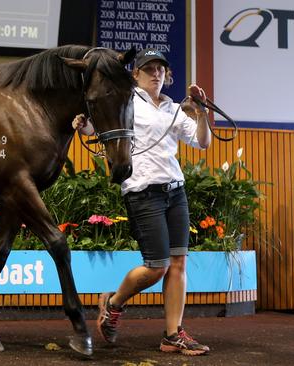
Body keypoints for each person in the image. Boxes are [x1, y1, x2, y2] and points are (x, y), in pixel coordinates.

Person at [73, 48, 212, 356]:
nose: (156, 73)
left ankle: (172, 334)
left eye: (160, 68)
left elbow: (202, 142)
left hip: (175, 191)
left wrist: (201, 110)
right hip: (142, 191)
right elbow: (99, 127)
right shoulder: (126, 100)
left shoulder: (173, 108)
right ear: (135, 74)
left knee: (178, 263)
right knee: (157, 267)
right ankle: (114, 302)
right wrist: (84, 126)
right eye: (148, 68)